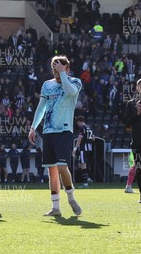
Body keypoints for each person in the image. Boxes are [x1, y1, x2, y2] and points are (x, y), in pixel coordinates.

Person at [28, 55, 82, 217]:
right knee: (51, 171)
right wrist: (33, 127)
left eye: (59, 66)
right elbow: (41, 108)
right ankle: (55, 207)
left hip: (64, 131)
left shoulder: (74, 82)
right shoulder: (47, 85)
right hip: (48, 131)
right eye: (54, 67)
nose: (56, 70)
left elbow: (70, 92)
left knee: (61, 167)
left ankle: (71, 198)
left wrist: (63, 74)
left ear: (67, 68)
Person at [74, 116, 94, 188]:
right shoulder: (89, 128)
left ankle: (86, 183)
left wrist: (75, 149)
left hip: (83, 149)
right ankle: (88, 178)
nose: (77, 125)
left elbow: (79, 139)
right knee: (79, 165)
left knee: (83, 164)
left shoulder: (82, 129)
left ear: (79, 121)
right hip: (89, 148)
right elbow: (94, 138)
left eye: (77, 123)